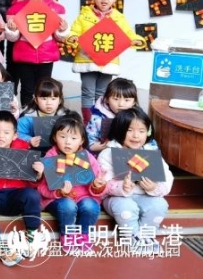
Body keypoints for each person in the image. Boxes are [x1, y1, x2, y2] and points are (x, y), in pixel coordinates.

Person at [67, 0, 145, 124]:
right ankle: (88, 123)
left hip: (108, 62)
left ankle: (99, 123)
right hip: (87, 60)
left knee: (102, 93)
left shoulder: (119, 18)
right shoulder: (84, 15)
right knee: (88, 92)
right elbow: (74, 31)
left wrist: (136, 40)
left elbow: (128, 33)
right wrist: (72, 37)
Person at [98, 107, 173, 255]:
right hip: (117, 198)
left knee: (160, 204)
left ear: (148, 132)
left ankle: (146, 236)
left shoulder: (151, 153)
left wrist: (153, 187)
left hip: (144, 195)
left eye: (141, 131)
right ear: (119, 130)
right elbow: (102, 184)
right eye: (129, 130)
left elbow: (167, 178)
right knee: (126, 207)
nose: (136, 136)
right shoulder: (107, 154)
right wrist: (122, 187)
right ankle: (132, 236)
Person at [0, 111, 44, 267]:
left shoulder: (23, 150)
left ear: (14, 135)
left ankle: (32, 235)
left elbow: (32, 184)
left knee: (32, 195)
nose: (1, 136)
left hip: (16, 195)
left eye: (6, 132)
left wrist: (39, 174)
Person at [37, 114, 107, 254]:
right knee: (67, 205)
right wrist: (59, 192)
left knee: (90, 206)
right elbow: (41, 188)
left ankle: (83, 234)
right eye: (63, 137)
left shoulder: (88, 158)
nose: (68, 142)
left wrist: (97, 185)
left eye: (74, 138)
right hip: (57, 199)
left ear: (82, 140)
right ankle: (67, 235)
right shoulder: (50, 158)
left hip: (83, 197)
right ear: (55, 137)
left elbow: (98, 184)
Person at [5, 0, 68, 106]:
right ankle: (27, 115)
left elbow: (59, 37)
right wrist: (12, 30)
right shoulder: (15, 9)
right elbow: (12, 38)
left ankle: (42, 115)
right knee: (27, 89)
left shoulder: (56, 8)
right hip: (24, 56)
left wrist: (62, 30)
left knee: (44, 89)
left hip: (46, 56)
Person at [17, 77, 71, 156]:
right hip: (34, 152)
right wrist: (29, 140)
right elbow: (17, 133)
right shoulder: (27, 117)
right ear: (36, 100)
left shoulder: (66, 117)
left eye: (53, 99)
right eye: (44, 98)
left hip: (58, 153)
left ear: (59, 100)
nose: (49, 103)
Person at [85, 78, 139, 155]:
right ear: (106, 99)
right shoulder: (97, 119)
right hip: (103, 155)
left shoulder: (138, 118)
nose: (121, 104)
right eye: (116, 99)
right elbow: (88, 137)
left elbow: (148, 139)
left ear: (134, 102)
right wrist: (92, 146)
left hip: (131, 155)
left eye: (127, 100)